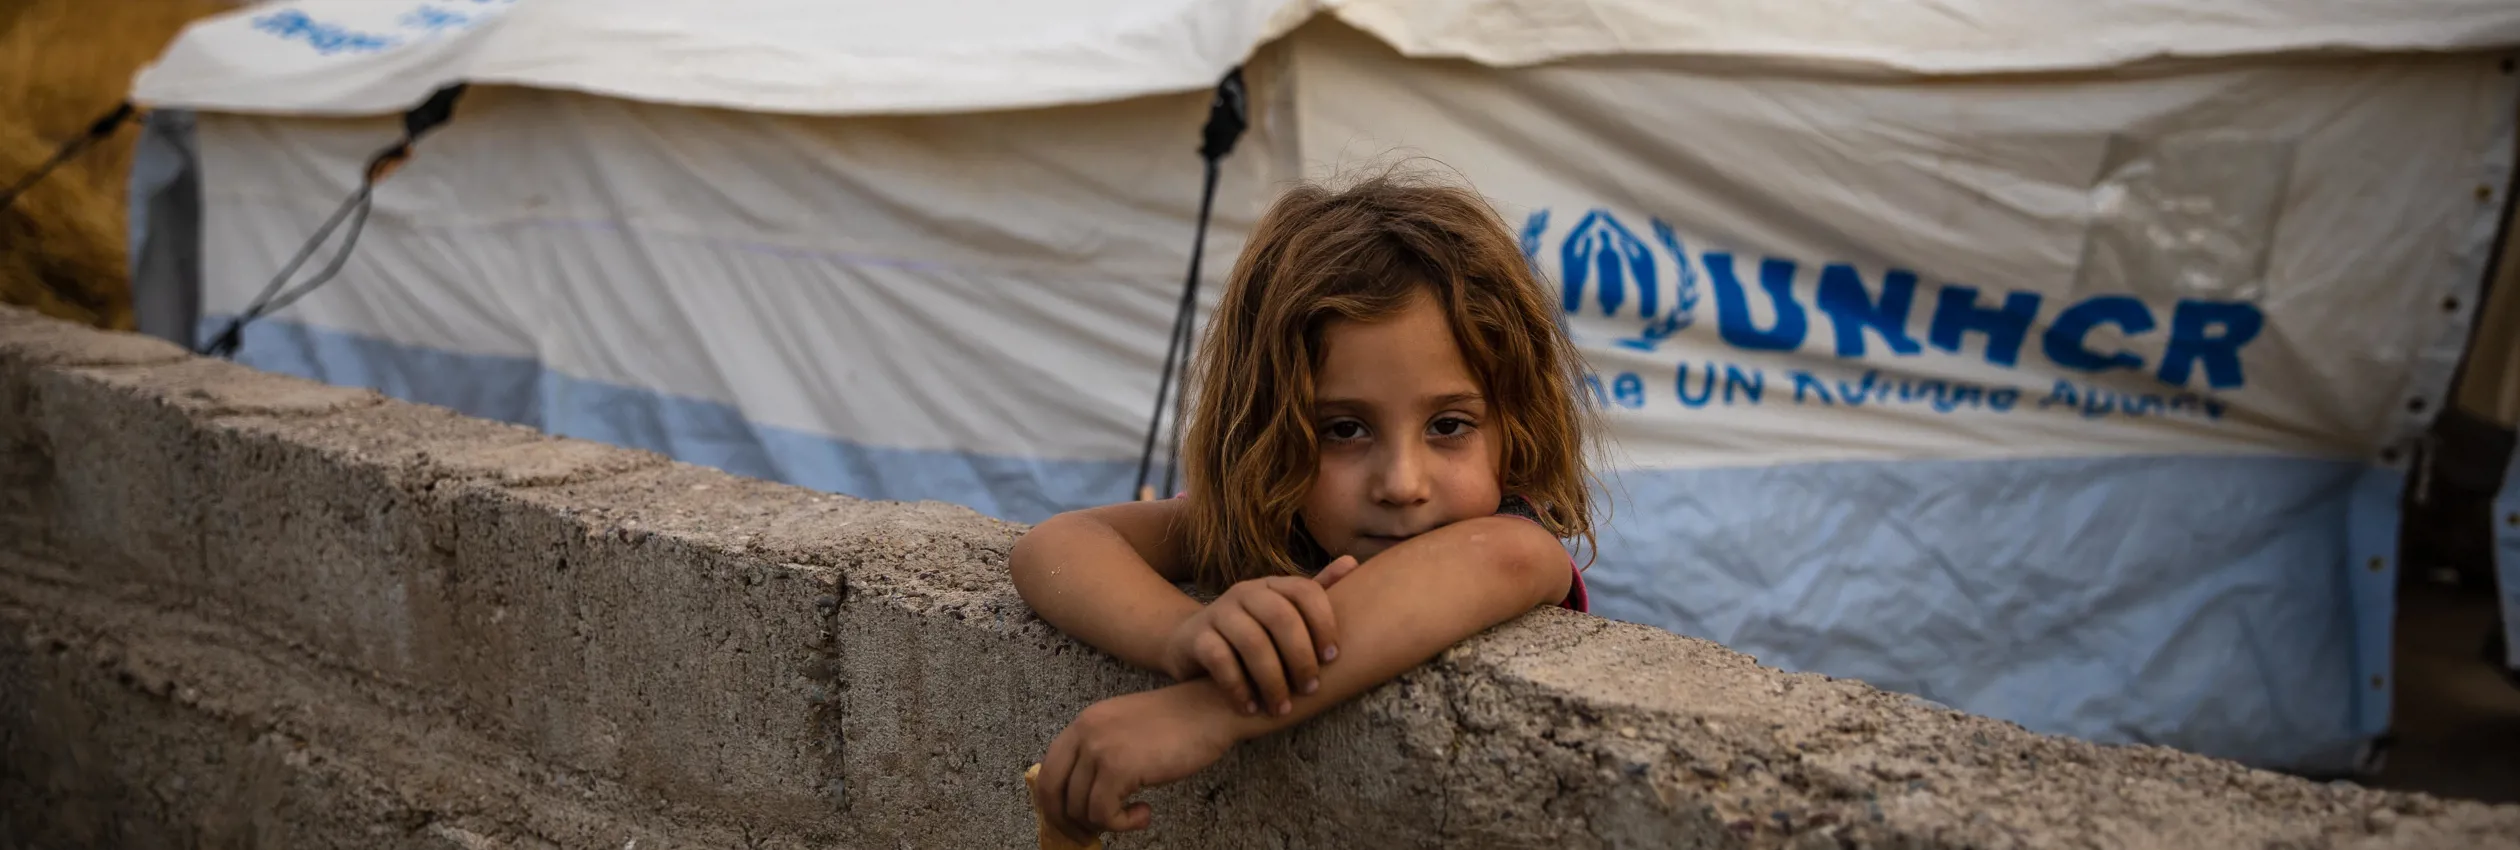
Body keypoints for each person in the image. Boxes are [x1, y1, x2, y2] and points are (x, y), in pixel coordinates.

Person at [1011, 169, 1601, 844]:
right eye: (1344, 429)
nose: (1403, 482)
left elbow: (1509, 557)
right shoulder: (1277, 518)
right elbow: (1056, 546)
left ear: (1512, 426)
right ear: (1271, 433)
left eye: (1449, 426)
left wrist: (1207, 711)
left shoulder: (1506, 534)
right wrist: (1185, 637)